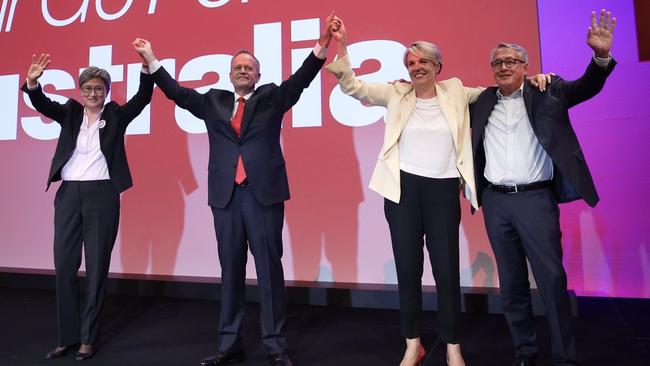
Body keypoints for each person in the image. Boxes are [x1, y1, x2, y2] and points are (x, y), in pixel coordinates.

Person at [325, 17, 549, 366]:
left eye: (423, 63)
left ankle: (453, 345)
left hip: (443, 190)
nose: (416, 68)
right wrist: (341, 47)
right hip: (402, 191)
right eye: (411, 64)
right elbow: (353, 87)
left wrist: (532, 79)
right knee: (408, 269)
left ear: (437, 67)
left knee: (446, 270)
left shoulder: (457, 91)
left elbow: (498, 92)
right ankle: (413, 343)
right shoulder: (395, 93)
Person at [133, 13, 338, 366]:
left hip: (264, 196)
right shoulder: (213, 101)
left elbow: (303, 78)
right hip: (226, 198)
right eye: (238, 67)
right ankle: (229, 344)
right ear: (230, 75)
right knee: (230, 270)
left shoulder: (272, 97)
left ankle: (275, 344)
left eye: (250, 67)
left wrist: (324, 42)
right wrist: (151, 59)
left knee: (269, 271)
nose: (243, 71)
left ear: (258, 76)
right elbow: (177, 93)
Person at [469, 9, 616, 366]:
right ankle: (525, 352)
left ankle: (564, 357)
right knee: (512, 285)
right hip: (495, 202)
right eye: (497, 62)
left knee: (551, 281)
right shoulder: (481, 100)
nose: (503, 67)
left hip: (535, 199)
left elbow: (588, 86)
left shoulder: (549, 90)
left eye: (511, 61)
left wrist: (600, 57)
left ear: (525, 66)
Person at [22, 41, 154, 361]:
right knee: (65, 267)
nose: (93, 93)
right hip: (68, 195)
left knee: (96, 269)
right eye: (88, 88)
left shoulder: (117, 115)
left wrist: (146, 67)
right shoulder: (68, 112)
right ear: (80, 90)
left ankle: (87, 338)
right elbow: (41, 104)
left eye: (99, 88)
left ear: (107, 91)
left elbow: (143, 98)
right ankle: (66, 336)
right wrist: (33, 83)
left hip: (102, 196)